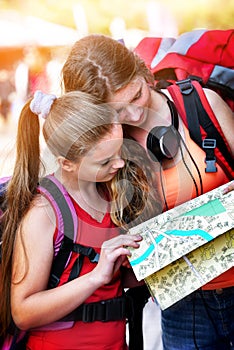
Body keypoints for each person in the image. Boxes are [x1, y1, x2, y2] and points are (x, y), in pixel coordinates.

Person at [61, 34, 234, 350]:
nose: (133, 116)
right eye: (115, 112)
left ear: (144, 72)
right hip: (182, 304)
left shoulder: (204, 104)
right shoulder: (106, 153)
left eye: (136, 96)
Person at [0, 89, 161, 350]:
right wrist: (97, 276)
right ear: (67, 163)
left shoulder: (109, 190)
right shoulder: (44, 211)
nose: (119, 164)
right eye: (105, 160)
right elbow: (23, 312)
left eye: (120, 151)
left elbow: (112, 282)